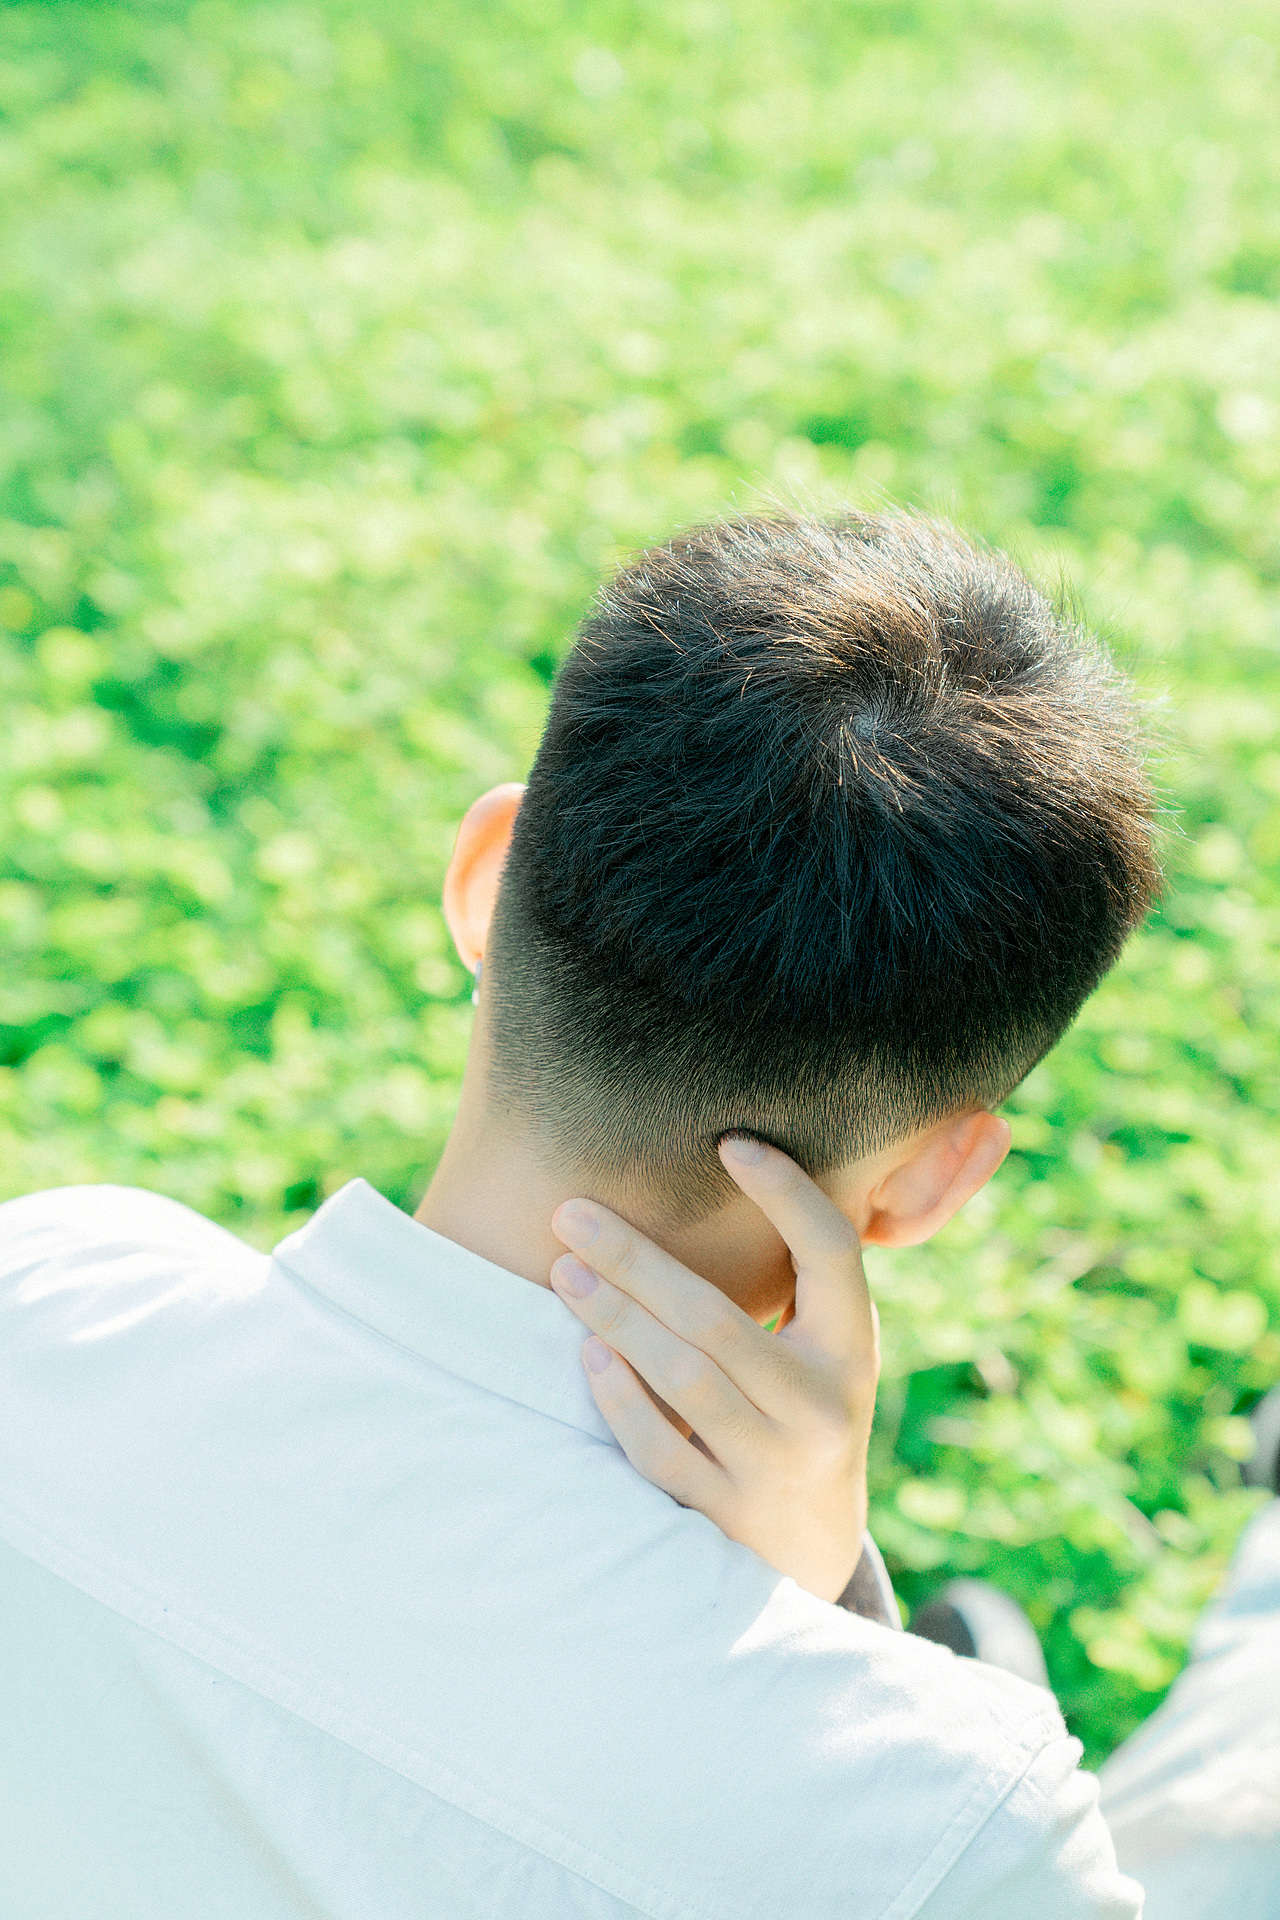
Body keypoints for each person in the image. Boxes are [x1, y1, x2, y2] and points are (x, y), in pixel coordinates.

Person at [0, 512, 1162, 1917]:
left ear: (488, 880)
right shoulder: (956, 1821)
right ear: (932, 1178)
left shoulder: (49, 1291)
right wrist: (821, 1620)